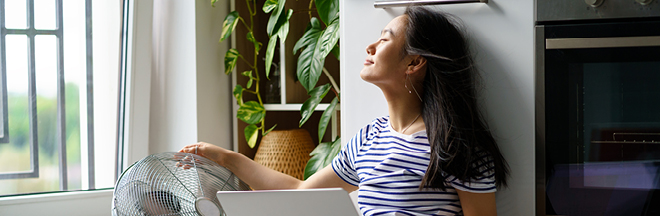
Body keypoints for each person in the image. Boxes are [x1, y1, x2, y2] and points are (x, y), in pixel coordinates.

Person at [179, 6, 509, 216]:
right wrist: (225, 158)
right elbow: (299, 192)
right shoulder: (369, 138)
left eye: (385, 39)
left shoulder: (457, 146)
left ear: (414, 62)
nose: (370, 47)